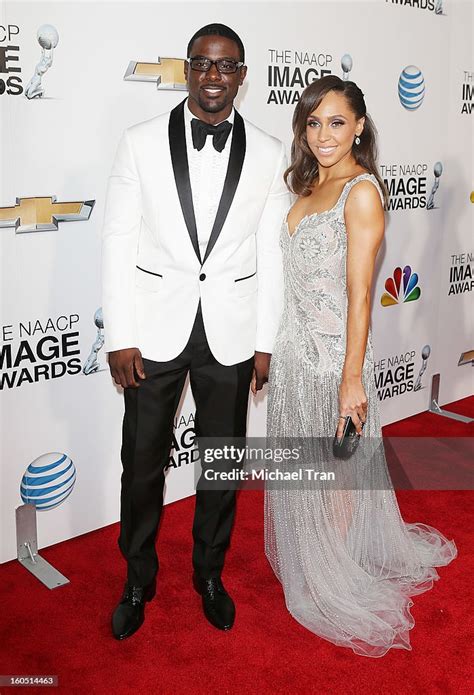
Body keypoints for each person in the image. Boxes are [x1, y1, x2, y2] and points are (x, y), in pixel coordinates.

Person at [102, 23, 290, 639]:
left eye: (226, 66)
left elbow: (271, 252)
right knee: (141, 463)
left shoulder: (267, 152)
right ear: (187, 69)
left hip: (231, 333)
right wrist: (120, 334)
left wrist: (265, 341)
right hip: (153, 329)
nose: (213, 76)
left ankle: (209, 574)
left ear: (242, 74)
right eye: (202, 65)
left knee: (222, 464)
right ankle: (138, 579)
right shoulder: (139, 142)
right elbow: (118, 242)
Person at [262, 75, 457, 657]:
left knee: (339, 470)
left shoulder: (361, 192)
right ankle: (313, 557)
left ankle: (337, 571)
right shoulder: (305, 187)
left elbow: (360, 292)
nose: (323, 135)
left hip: (332, 360)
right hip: (294, 354)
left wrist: (352, 377)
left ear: (360, 127)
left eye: (337, 122)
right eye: (314, 122)